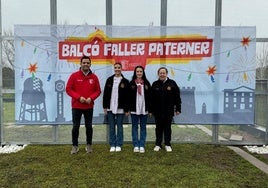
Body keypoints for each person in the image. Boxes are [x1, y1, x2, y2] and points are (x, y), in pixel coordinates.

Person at [66, 55, 101, 154]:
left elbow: (98, 91)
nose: (85, 64)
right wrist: (78, 97)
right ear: (80, 64)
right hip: (76, 106)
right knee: (75, 126)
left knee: (89, 126)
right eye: (84, 63)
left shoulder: (94, 77)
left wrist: (91, 98)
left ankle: (89, 145)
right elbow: (68, 89)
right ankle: (75, 146)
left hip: (89, 106)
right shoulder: (74, 76)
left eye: (87, 63)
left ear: (90, 64)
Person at [151, 67, 181, 152]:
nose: (162, 74)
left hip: (169, 111)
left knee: (167, 128)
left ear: (167, 74)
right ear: (158, 74)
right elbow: (151, 99)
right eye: (160, 73)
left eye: (164, 73)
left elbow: (177, 97)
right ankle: (158, 144)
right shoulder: (155, 84)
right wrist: (151, 110)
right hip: (158, 111)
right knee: (158, 128)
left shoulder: (172, 83)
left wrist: (178, 109)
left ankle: (167, 144)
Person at [103, 62, 129, 152]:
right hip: (110, 107)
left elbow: (127, 97)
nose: (117, 69)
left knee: (119, 126)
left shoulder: (125, 81)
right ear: (114, 69)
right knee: (112, 126)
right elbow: (105, 94)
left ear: (121, 69)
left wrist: (126, 109)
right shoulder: (109, 80)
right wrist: (105, 106)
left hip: (120, 108)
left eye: (119, 67)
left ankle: (119, 144)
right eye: (116, 67)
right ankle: (112, 144)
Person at [129, 65, 152, 153]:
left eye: (140, 72)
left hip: (144, 109)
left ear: (143, 73)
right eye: (137, 71)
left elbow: (150, 98)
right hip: (134, 109)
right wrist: (128, 109)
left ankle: (142, 145)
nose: (139, 73)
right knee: (134, 127)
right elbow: (129, 98)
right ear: (135, 73)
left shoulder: (146, 83)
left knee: (143, 127)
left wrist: (150, 110)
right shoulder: (131, 83)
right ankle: (136, 145)